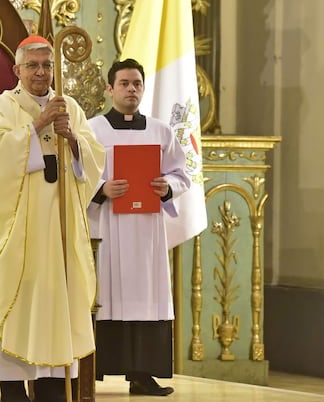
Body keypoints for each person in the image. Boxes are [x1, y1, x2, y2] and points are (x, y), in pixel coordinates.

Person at [0, 35, 106, 402]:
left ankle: (50, 389)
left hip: (60, 230)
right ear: (17, 70)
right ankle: (13, 389)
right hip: (16, 232)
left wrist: (72, 139)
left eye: (47, 65)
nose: (41, 72)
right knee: (19, 299)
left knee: (55, 303)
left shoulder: (70, 107)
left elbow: (93, 162)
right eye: (33, 66)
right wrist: (39, 124)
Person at [87, 58, 191, 397]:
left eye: (137, 84)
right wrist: (101, 189)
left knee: (147, 297)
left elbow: (181, 175)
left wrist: (167, 187)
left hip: (147, 231)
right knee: (107, 296)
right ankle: (94, 371)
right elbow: (78, 174)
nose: (132, 89)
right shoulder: (92, 130)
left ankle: (143, 375)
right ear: (110, 88)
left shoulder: (160, 131)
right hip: (109, 227)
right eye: (124, 83)